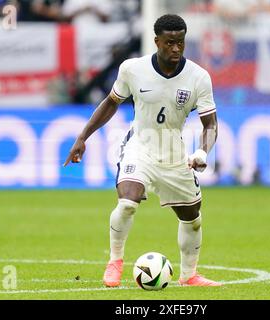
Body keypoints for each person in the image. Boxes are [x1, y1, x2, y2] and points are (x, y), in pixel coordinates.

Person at [63, 14, 221, 287]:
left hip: (174, 154)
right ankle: (115, 262)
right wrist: (83, 136)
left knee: (192, 219)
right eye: (170, 43)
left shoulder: (198, 77)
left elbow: (211, 125)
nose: (176, 49)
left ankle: (189, 275)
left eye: (181, 43)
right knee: (127, 203)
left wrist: (202, 152)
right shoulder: (132, 69)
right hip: (140, 147)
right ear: (156, 41)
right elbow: (111, 102)